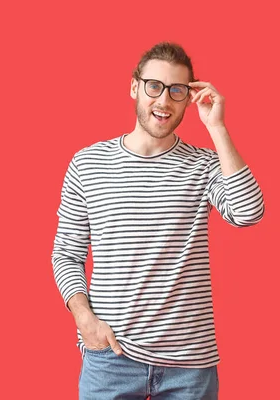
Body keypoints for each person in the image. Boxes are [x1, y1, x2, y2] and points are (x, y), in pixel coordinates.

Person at [51, 42, 265, 399]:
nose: (163, 101)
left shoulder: (205, 165)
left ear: (189, 97)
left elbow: (248, 213)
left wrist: (217, 128)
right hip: (111, 357)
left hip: (189, 365)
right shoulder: (88, 164)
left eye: (177, 90)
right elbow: (66, 254)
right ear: (135, 87)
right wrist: (84, 320)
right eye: (154, 86)